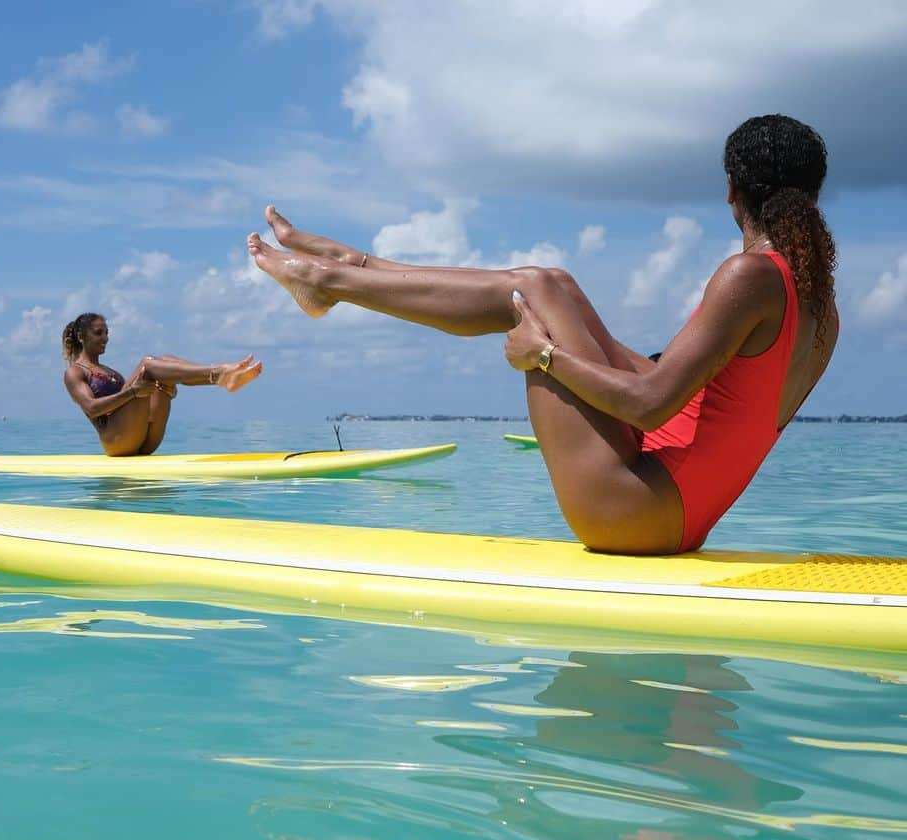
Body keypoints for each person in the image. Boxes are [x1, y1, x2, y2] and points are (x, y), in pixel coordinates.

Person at [247, 114, 837, 554]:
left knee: (530, 292)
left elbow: (652, 406)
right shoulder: (820, 311)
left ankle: (332, 277)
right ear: (812, 193)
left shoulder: (750, 276)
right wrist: (572, 329)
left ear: (732, 189)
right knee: (555, 285)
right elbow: (697, 408)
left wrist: (546, 354)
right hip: (679, 514)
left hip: (634, 514)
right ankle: (351, 267)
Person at [62, 313, 262, 456]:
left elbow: (138, 402)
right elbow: (92, 408)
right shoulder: (75, 372)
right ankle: (219, 373)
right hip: (116, 442)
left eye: (107, 332)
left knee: (163, 363)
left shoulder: (110, 371)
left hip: (143, 440)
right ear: (81, 337)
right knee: (147, 365)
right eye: (99, 333)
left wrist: (165, 392)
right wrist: (132, 392)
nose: (105, 338)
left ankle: (223, 379)